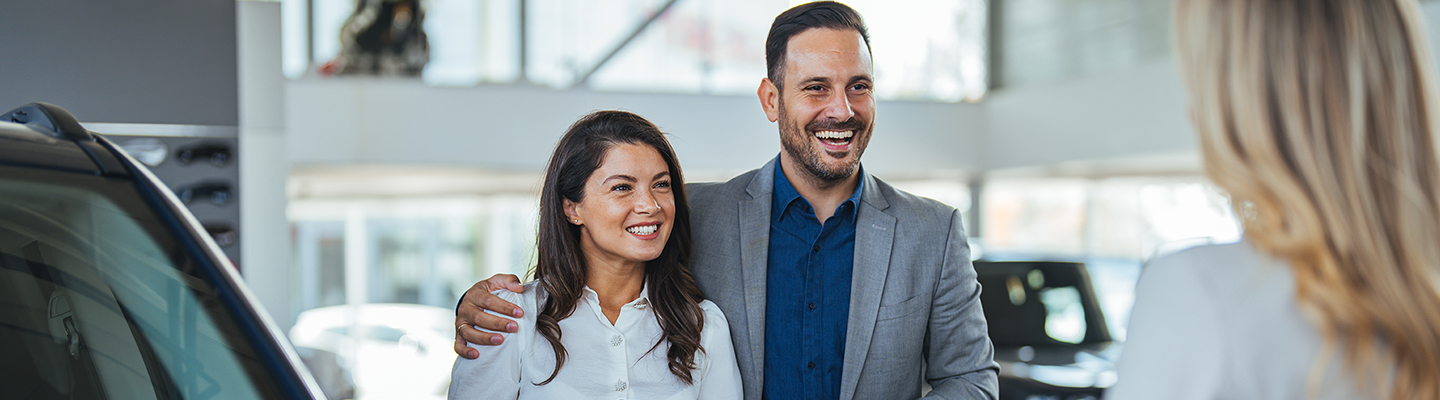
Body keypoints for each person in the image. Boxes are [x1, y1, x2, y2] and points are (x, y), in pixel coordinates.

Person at [453, 2, 998, 399]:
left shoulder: (933, 232)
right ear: (771, 99)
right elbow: (603, 261)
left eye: (859, 86)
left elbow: (971, 380)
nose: (842, 109)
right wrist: (479, 306)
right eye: (816, 87)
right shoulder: (692, 214)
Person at [1109, 0, 1440, 399]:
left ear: (1239, 102)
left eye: (1199, 81)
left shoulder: (1199, 293)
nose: (1191, 111)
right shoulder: (1422, 306)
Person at [448, 110, 742, 399]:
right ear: (572, 208)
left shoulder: (704, 326)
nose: (650, 205)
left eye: (661, 184)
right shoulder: (511, 317)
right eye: (622, 187)